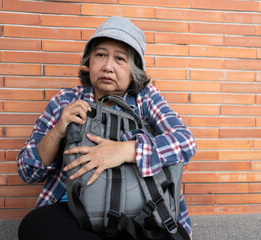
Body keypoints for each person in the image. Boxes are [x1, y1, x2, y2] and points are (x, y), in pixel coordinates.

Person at [17, 16, 196, 240]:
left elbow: (185, 142)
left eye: (120, 59)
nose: (108, 66)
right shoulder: (65, 100)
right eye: (100, 55)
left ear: (134, 70)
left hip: (141, 211)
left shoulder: (146, 99)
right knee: (34, 226)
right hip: (75, 212)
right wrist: (59, 129)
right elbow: (28, 171)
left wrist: (124, 151)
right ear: (89, 61)